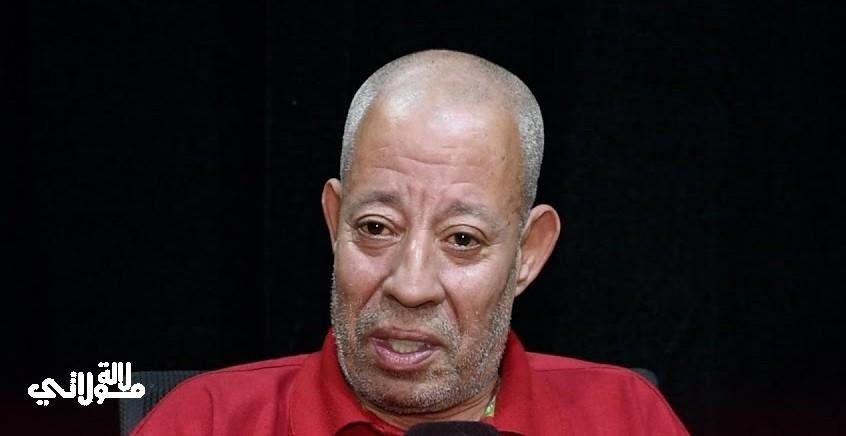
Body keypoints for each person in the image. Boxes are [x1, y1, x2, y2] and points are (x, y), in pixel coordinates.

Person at [130, 49, 689, 435]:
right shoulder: (205, 421)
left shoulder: (626, 418)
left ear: (528, 253)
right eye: (376, 228)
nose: (411, 286)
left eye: (462, 239)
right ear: (335, 222)